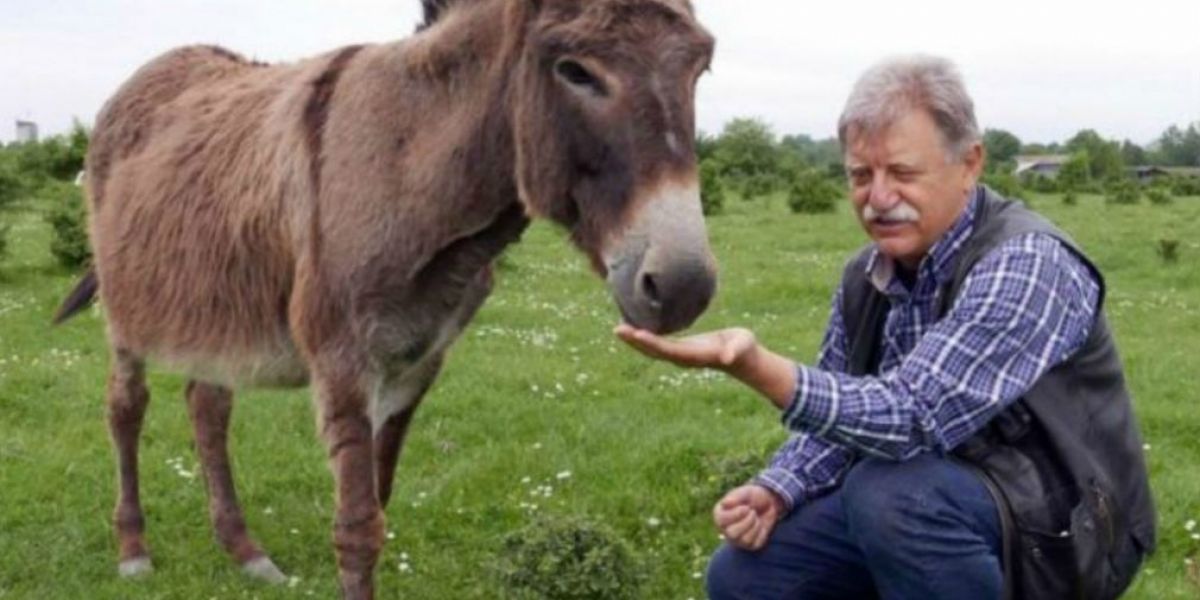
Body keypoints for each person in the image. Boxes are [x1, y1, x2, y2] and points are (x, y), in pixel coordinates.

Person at [615, 55, 1155, 600]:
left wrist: (757, 367)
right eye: (859, 175)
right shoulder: (865, 277)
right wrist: (778, 489)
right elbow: (843, 420)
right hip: (936, 503)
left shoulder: (1028, 261)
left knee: (892, 495)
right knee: (748, 576)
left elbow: (912, 414)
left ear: (969, 164)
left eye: (902, 173)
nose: (877, 199)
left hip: (1068, 531)